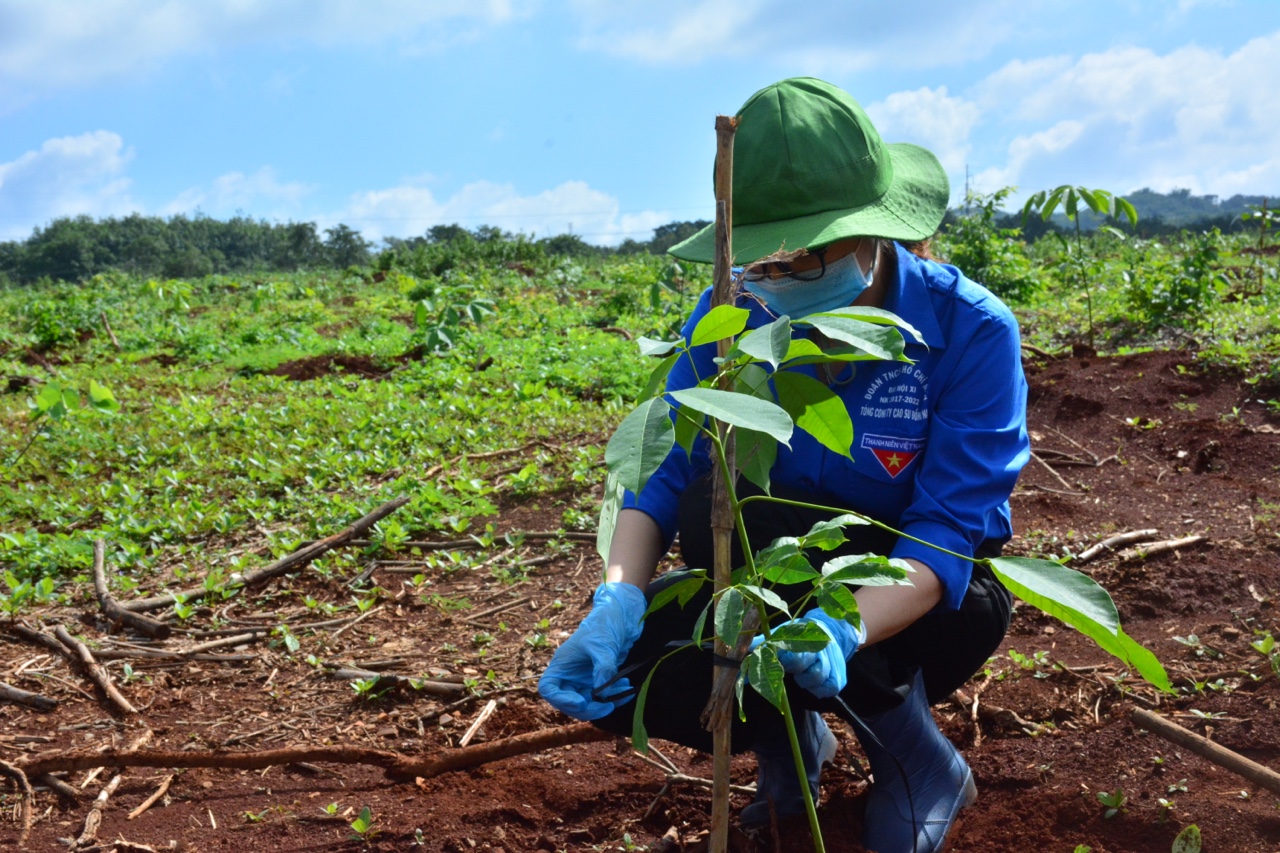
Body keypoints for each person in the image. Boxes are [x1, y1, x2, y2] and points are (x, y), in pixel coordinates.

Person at [538, 76, 1030, 853]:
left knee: (790, 547)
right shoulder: (729, 315)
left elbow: (945, 533)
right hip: (767, 584)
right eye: (762, 261)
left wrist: (842, 624)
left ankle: (916, 760)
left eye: (802, 256)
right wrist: (617, 598)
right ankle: (791, 746)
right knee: (626, 665)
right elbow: (666, 472)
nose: (777, 276)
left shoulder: (968, 331)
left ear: (873, 233)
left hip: (920, 604)